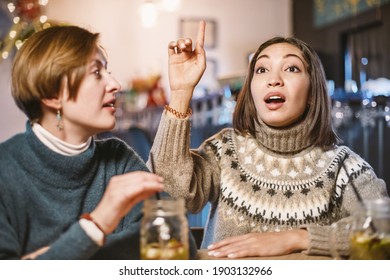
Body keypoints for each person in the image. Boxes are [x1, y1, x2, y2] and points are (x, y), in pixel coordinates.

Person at [149, 21, 389, 258]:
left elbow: (383, 230)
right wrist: (180, 93)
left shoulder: (343, 166)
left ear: (312, 93)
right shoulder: (224, 150)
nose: (274, 79)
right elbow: (165, 194)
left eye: (291, 68)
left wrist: (295, 238)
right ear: (251, 90)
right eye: (261, 70)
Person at [0, 25, 197, 259]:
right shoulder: (5, 171)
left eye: (108, 71)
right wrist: (97, 225)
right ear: (52, 95)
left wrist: (47, 259)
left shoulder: (118, 158)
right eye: (96, 73)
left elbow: (179, 247)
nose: (115, 84)